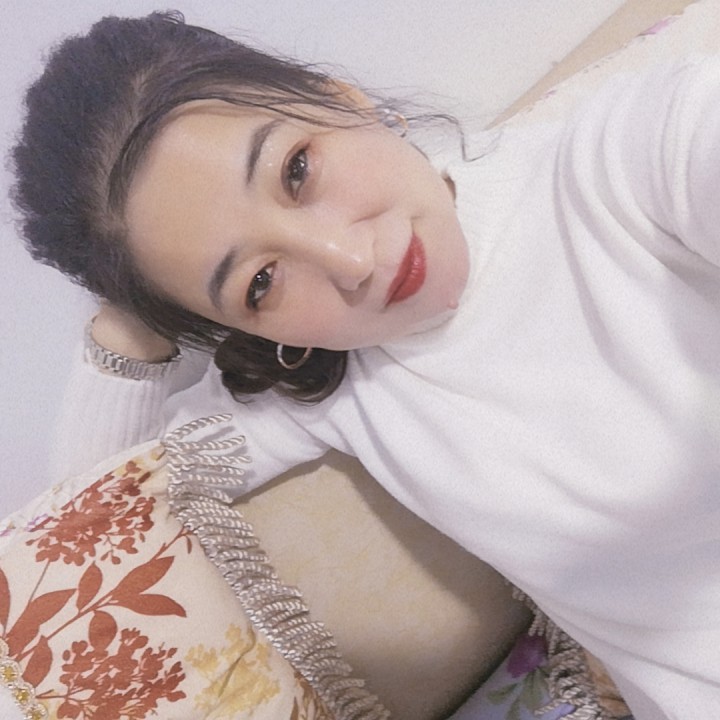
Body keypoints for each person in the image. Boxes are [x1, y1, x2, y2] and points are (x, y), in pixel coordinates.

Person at [10, 9, 720, 719]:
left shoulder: (621, 159)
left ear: (339, 97)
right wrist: (130, 321)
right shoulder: (324, 386)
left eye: (297, 171)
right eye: (260, 282)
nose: (349, 261)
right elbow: (94, 533)